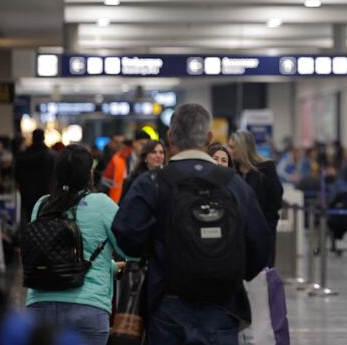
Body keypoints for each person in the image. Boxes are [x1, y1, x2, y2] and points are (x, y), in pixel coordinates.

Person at [112, 104, 270, 345]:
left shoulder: (153, 183)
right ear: (208, 138)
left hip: (167, 302)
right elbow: (260, 241)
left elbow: (124, 233)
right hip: (223, 304)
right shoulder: (233, 184)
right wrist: (233, 271)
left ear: (170, 136)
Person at [25, 144, 129, 345]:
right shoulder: (102, 204)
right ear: (89, 173)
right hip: (87, 308)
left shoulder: (43, 204)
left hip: (39, 309)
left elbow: (51, 256)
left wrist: (110, 267)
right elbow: (128, 247)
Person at [229, 130, 284, 268]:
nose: (229, 150)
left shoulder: (266, 169)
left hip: (262, 231)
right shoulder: (232, 172)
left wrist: (267, 224)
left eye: (232, 147)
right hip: (238, 235)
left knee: (263, 272)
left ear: (242, 148)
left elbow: (276, 198)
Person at [15, 129, 57, 225]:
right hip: (47, 194)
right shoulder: (52, 156)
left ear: (33, 139)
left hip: (27, 194)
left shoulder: (23, 156)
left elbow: (18, 175)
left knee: (29, 219)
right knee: (46, 221)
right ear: (43, 138)